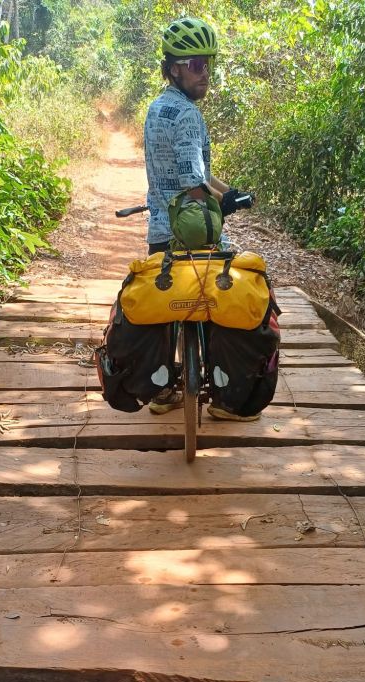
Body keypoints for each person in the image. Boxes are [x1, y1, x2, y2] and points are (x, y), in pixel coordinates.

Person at [143, 16, 259, 420]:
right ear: (174, 68)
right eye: (196, 64)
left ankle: (163, 390)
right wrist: (224, 204)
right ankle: (228, 400)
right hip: (193, 232)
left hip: (161, 230)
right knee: (220, 303)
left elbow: (199, 174)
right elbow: (195, 185)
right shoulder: (189, 115)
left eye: (208, 63)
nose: (205, 72)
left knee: (162, 309)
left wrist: (231, 191)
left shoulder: (157, 108)